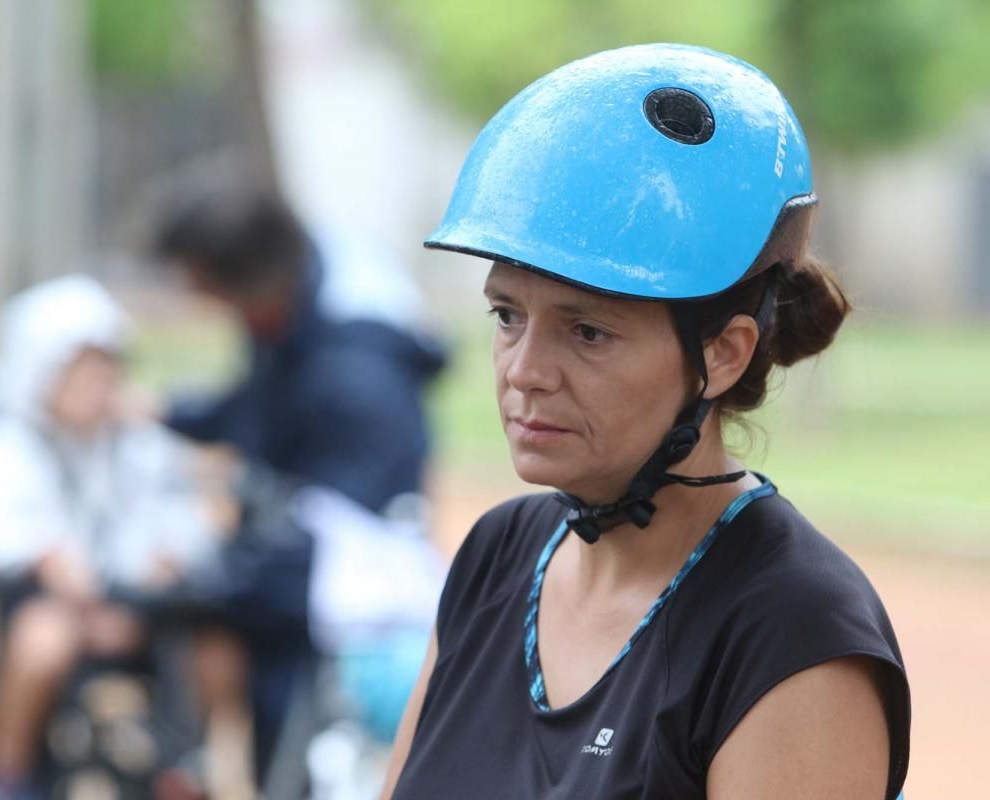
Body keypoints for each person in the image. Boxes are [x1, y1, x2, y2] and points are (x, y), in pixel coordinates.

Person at [383, 44, 910, 800]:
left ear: (723, 355)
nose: (524, 369)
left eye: (587, 331)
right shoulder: (497, 556)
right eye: (506, 315)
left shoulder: (793, 630)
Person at [149, 172, 447, 787]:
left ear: (249, 280)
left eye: (209, 290)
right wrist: (171, 412)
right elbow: (263, 407)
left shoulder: (356, 369)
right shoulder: (299, 294)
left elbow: (349, 528)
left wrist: (212, 576)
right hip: (307, 564)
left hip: (334, 606)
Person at [0, 275, 224, 800]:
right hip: (62, 614)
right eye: (80, 372)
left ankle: (189, 769)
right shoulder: (4, 447)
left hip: (143, 611)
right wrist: (62, 574)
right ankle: (9, 778)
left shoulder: (139, 443)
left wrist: (155, 578)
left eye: (106, 369)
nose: (97, 386)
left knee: (217, 645)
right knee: (42, 638)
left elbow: (184, 522)